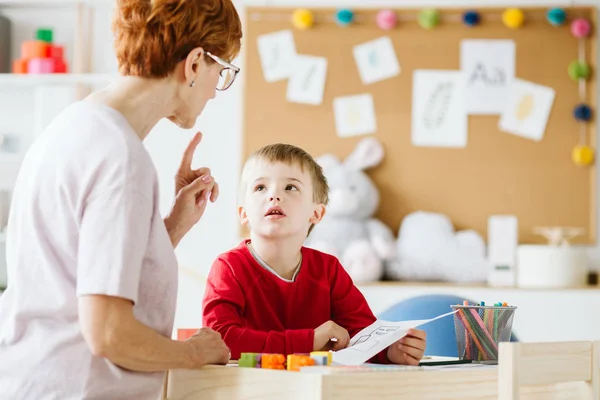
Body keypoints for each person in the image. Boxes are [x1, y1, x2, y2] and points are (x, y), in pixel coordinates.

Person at [0, 0, 242, 398]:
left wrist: (172, 227)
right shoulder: (121, 158)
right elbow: (109, 334)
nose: (217, 91)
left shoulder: (74, 126)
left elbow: (82, 271)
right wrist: (193, 352)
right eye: (223, 71)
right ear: (195, 63)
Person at [202, 144, 427, 364]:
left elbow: (362, 334)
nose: (274, 196)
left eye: (290, 187)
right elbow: (218, 340)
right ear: (244, 214)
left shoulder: (328, 270)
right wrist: (308, 341)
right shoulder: (228, 268)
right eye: (260, 187)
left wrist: (389, 350)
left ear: (316, 213)